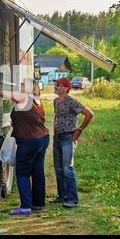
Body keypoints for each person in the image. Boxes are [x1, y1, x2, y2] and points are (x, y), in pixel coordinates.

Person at [0, 77, 49, 215]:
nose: (19, 86)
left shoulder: (24, 97)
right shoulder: (37, 100)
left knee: (22, 172)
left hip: (29, 141)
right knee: (38, 171)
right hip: (42, 139)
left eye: (22, 84)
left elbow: (2, 93)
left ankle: (26, 207)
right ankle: (37, 204)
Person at [50, 77, 93, 208]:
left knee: (67, 168)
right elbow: (57, 115)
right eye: (55, 85)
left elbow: (89, 114)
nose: (55, 87)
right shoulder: (56, 101)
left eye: (58, 85)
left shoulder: (71, 101)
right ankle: (62, 196)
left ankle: (73, 199)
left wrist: (79, 130)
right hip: (57, 137)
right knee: (58, 168)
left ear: (65, 88)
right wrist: (54, 126)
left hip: (68, 138)